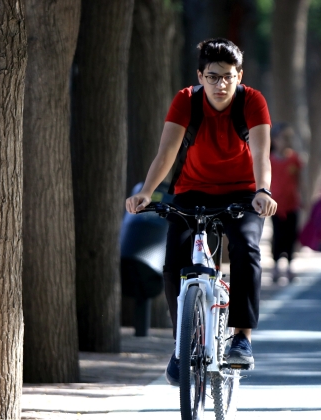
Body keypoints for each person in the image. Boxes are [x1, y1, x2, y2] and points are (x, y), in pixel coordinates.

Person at [125, 38, 276, 385]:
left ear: (239, 76)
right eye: (212, 76)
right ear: (200, 76)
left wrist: (263, 191)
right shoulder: (186, 101)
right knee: (173, 261)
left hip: (243, 194)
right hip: (193, 192)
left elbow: (262, 154)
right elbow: (166, 154)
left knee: (246, 248)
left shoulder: (252, 101)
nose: (220, 84)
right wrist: (147, 192)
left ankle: (241, 337)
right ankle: (182, 343)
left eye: (227, 76)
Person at [269, 123, 302, 283]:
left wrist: (303, 197)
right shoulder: (270, 160)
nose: (286, 141)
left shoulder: (294, 159)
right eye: (283, 138)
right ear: (274, 140)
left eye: (288, 138)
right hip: (275, 206)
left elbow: (299, 180)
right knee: (277, 236)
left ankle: (289, 266)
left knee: (291, 236)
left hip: (292, 205)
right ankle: (276, 267)